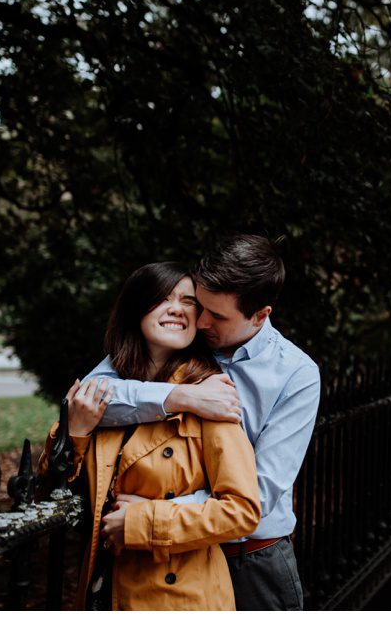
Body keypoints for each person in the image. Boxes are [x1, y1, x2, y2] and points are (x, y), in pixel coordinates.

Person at [85, 234, 321, 611]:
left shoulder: (296, 374)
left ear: (261, 315)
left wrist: (153, 513)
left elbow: (256, 499)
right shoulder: (185, 338)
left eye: (219, 316)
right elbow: (93, 396)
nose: (202, 320)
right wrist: (178, 397)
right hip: (171, 566)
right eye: (201, 305)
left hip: (249, 560)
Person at [38, 262, 261, 610]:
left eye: (188, 301)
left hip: (181, 598)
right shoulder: (102, 395)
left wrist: (143, 522)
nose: (176, 308)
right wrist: (76, 432)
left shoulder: (210, 396)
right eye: (162, 298)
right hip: (105, 590)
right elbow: (49, 496)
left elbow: (242, 511)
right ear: (135, 309)